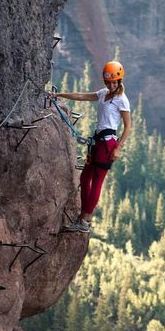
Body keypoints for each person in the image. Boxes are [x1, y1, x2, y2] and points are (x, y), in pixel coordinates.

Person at [49, 61, 131, 233]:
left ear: (120, 81)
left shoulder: (121, 100)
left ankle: (84, 221)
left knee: (97, 181)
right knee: (85, 178)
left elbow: (127, 126)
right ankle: (82, 217)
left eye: (114, 82)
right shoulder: (103, 94)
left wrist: (118, 148)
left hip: (108, 144)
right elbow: (82, 96)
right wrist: (59, 95)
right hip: (97, 141)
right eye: (108, 82)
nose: (111, 85)